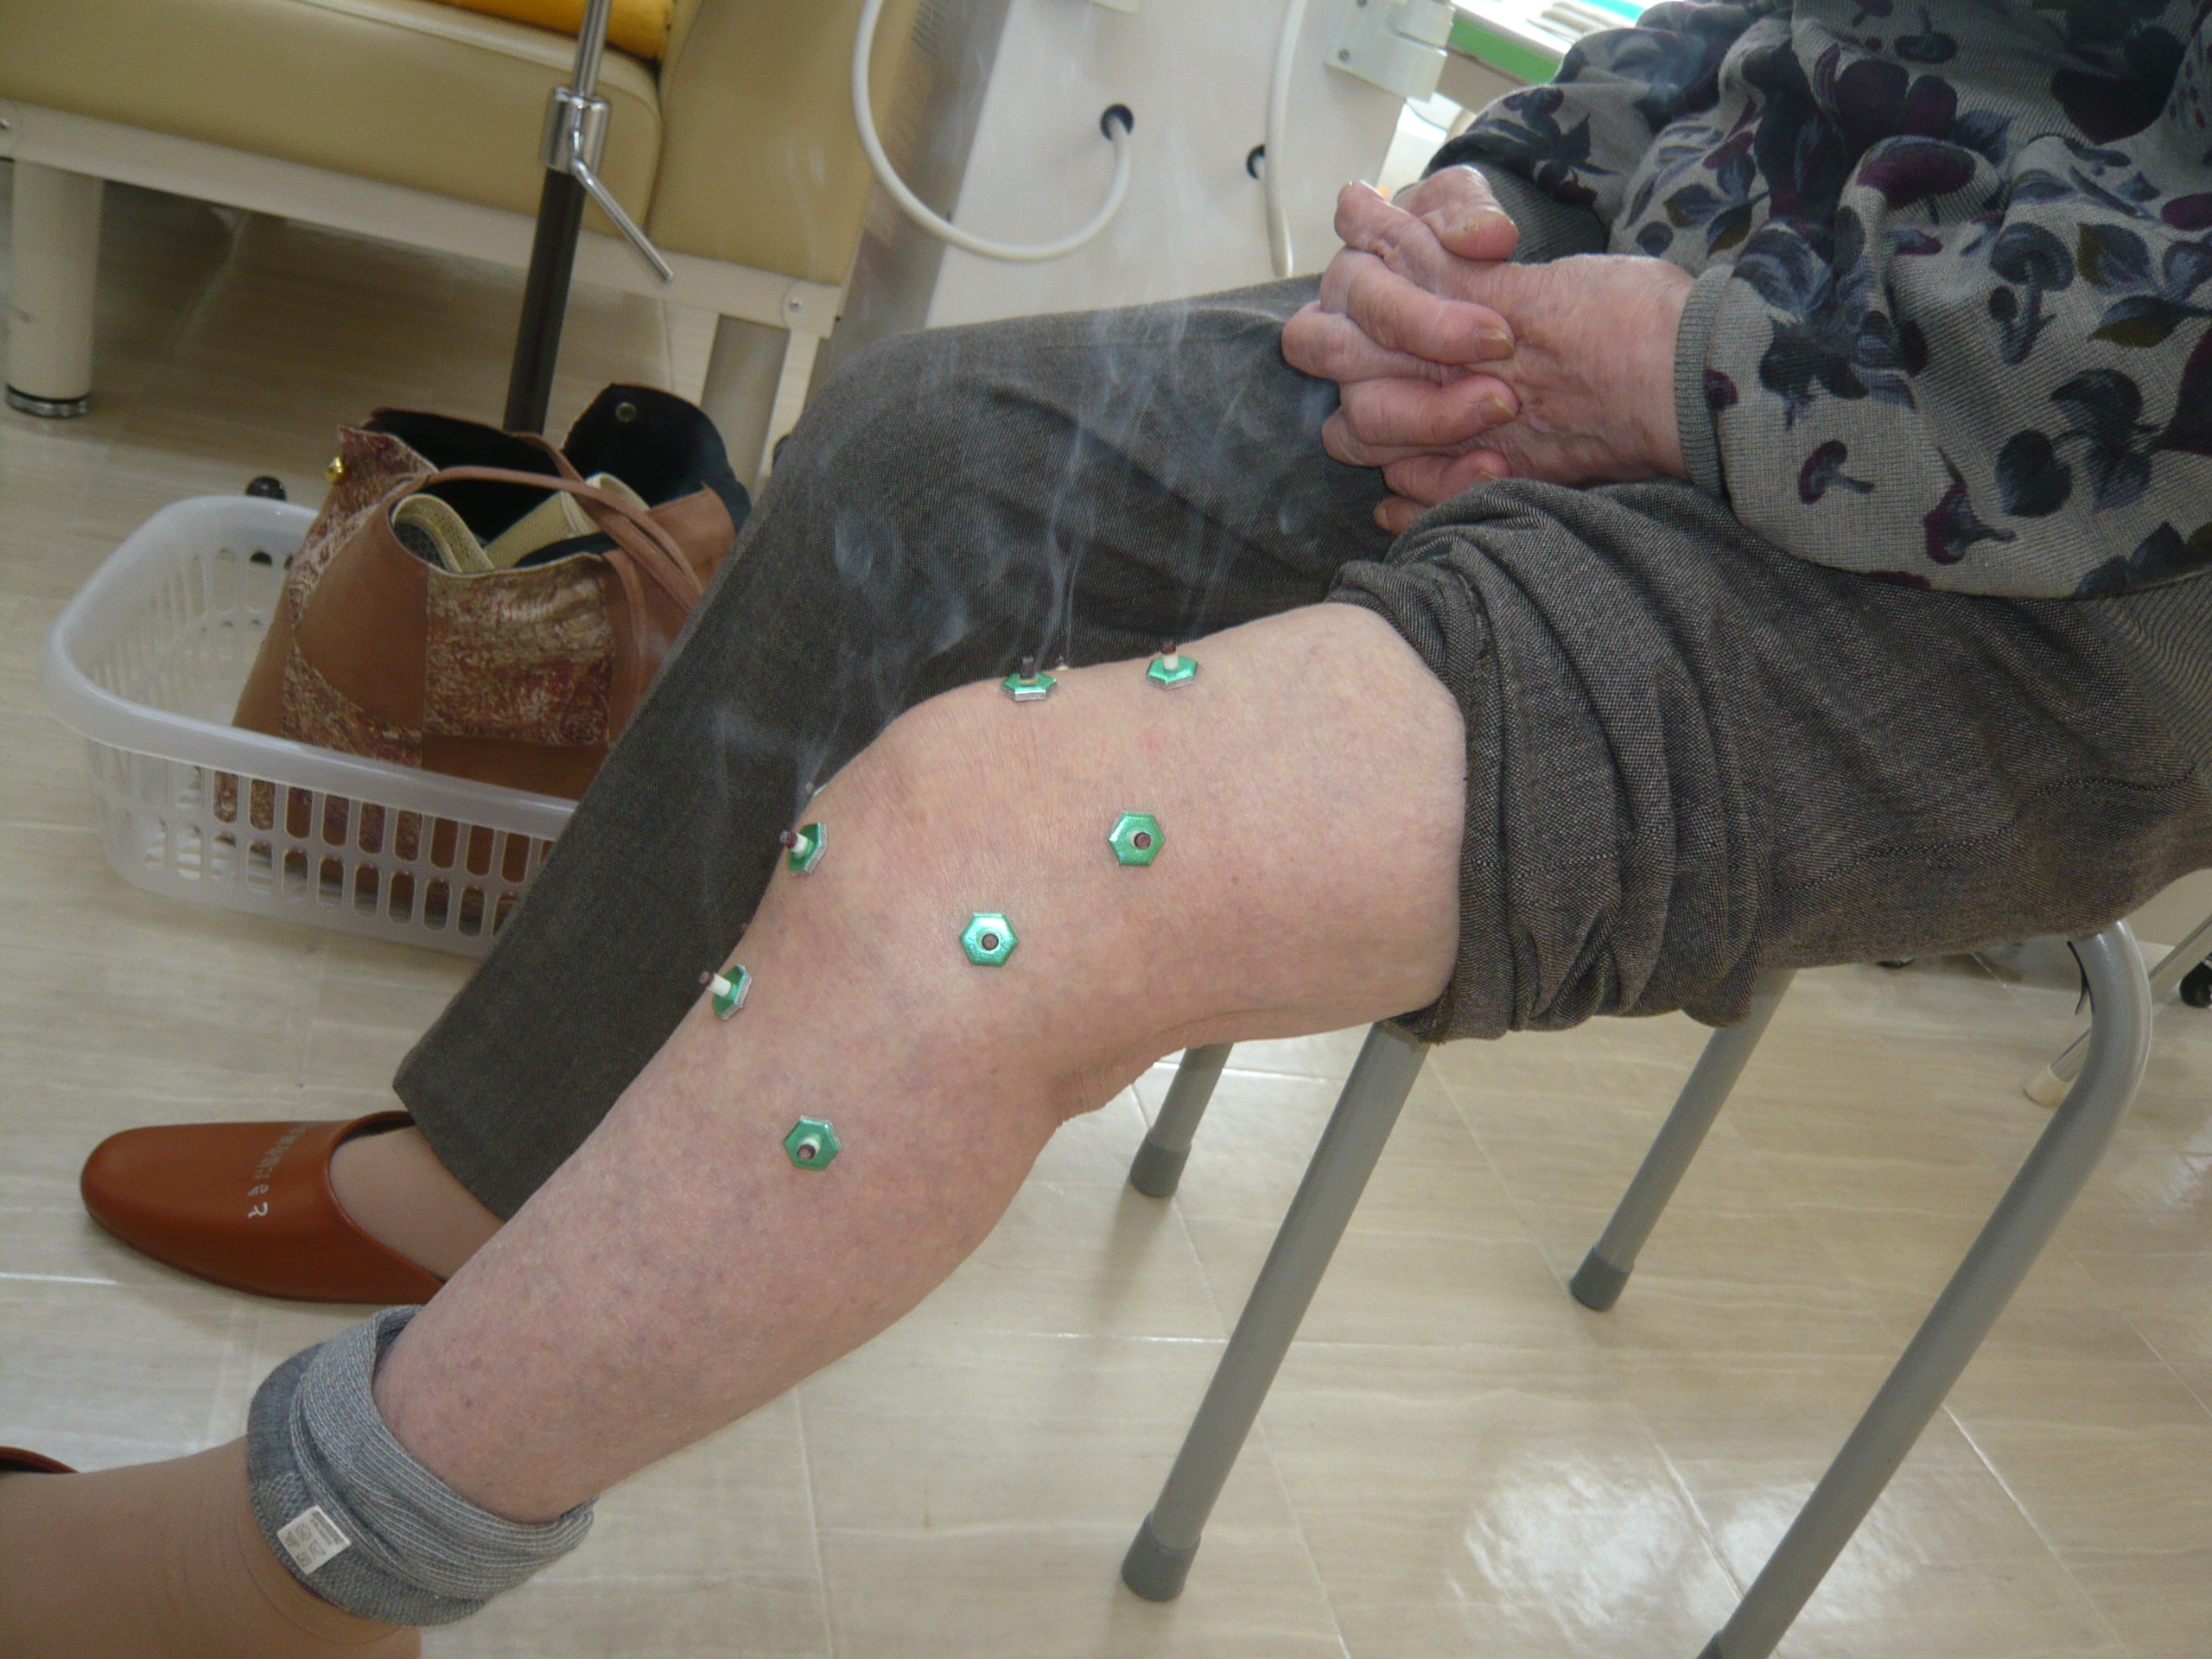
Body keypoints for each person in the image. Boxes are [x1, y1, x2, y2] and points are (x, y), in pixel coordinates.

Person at [7, 2, 2212, 1652]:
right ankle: (492, 1174)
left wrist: (1719, 381)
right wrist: (1490, 225)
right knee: (911, 454)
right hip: (1663, 292)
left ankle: (304, 1568)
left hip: (2070, 535)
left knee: (997, 866)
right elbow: (1772, 45)